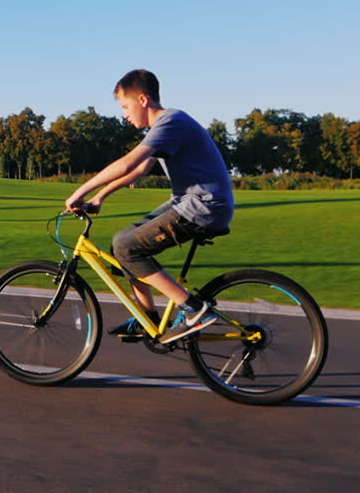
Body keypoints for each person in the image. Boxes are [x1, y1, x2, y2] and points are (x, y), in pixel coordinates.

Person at [64, 69, 235, 344]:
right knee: (121, 243)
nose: (124, 114)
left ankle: (193, 309)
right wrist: (100, 197)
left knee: (127, 247)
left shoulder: (171, 122)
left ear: (142, 100)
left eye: (125, 106)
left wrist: (80, 191)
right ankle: (149, 319)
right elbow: (140, 170)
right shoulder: (166, 126)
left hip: (203, 207)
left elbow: (127, 163)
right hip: (189, 202)